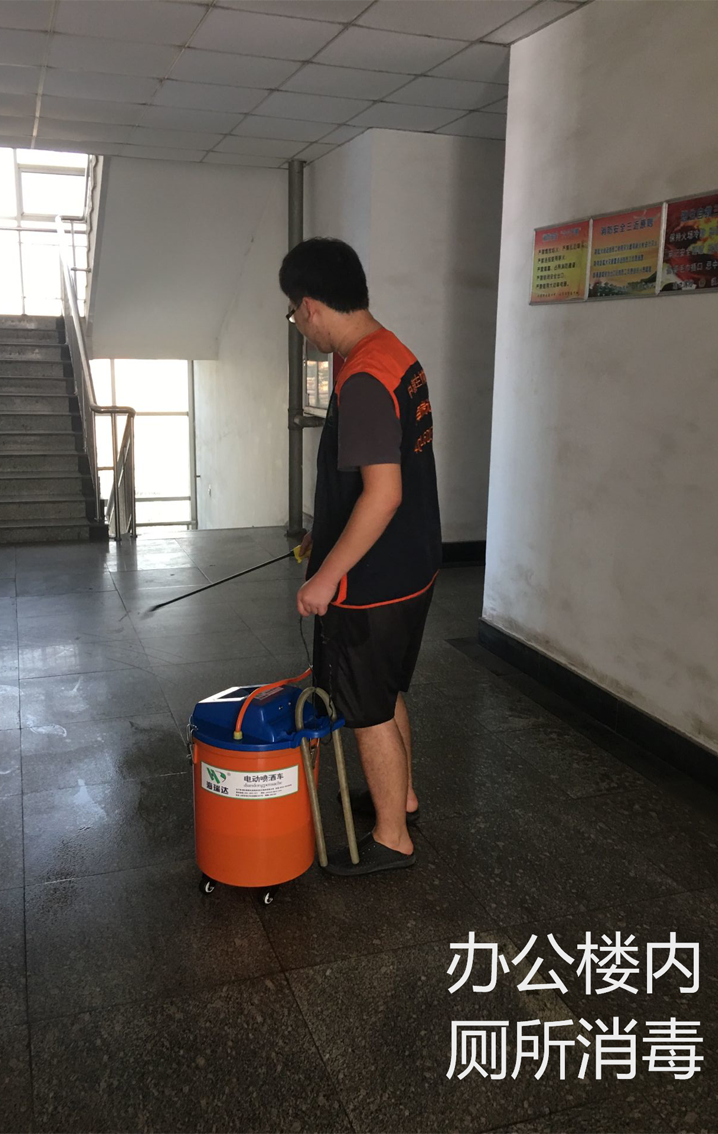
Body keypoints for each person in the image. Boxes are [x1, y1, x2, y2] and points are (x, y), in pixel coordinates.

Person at [279, 237, 442, 877]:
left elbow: (383, 494)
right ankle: (401, 798)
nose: (299, 325)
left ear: (312, 306)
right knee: (387, 689)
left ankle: (393, 838)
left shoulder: (365, 377)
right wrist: (321, 538)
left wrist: (325, 576)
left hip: (372, 582)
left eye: (294, 313)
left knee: (366, 709)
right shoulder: (394, 353)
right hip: (411, 564)